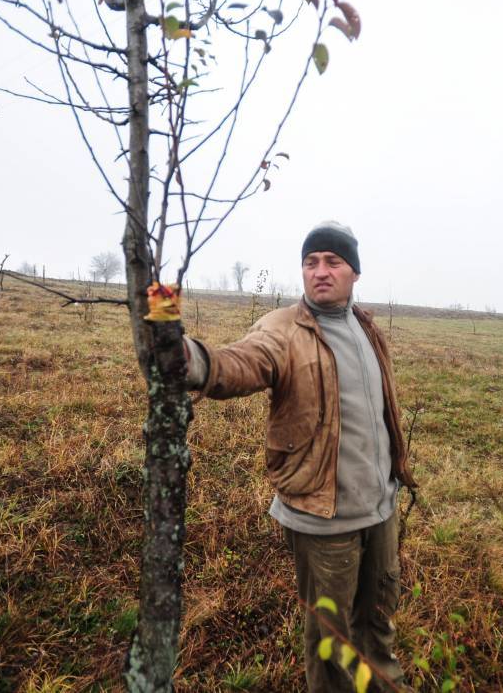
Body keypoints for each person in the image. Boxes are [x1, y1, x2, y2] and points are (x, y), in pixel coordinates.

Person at [184, 221, 416, 692]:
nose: (320, 272)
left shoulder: (366, 328)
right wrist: (193, 361)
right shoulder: (283, 330)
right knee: (331, 640)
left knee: (377, 622)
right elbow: (242, 362)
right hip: (323, 516)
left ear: (354, 272)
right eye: (311, 263)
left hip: (380, 508)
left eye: (333, 262)